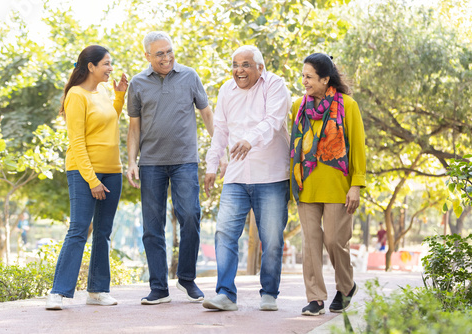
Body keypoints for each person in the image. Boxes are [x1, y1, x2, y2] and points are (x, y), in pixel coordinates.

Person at [126, 31, 215, 305]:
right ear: (147, 56)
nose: (166, 58)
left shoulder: (190, 76)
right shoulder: (138, 83)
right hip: (151, 163)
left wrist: (219, 147)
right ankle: (158, 288)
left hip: (185, 161)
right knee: (153, 226)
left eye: (169, 51)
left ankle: (187, 279)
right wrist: (131, 161)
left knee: (190, 215)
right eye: (160, 53)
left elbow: (207, 113)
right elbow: (134, 126)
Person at [202, 45, 291, 312]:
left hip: (271, 175)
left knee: (272, 237)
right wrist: (211, 164)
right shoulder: (226, 91)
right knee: (224, 232)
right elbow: (220, 131)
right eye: (235, 64)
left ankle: (270, 293)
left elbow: (274, 121)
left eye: (246, 65)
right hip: (236, 175)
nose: (239, 70)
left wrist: (249, 140)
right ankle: (226, 294)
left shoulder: (275, 85)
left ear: (260, 68)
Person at [46, 45, 128, 310]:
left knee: (103, 232)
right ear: (91, 66)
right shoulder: (76, 95)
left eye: (110, 63)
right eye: (106, 64)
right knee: (79, 229)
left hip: (113, 170)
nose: (110, 68)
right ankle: (58, 292)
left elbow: (109, 120)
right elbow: (77, 142)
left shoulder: (104, 91)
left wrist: (119, 97)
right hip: (83, 172)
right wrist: (92, 179)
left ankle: (98, 289)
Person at [290, 53, 366, 316]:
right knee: (310, 244)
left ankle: (346, 287)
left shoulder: (348, 105)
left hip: (339, 187)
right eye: (302, 76)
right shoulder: (298, 107)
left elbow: (357, 148)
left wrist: (356, 185)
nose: (304, 81)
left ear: (325, 78)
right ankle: (315, 298)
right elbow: (294, 145)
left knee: (335, 241)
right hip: (306, 185)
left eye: (309, 77)